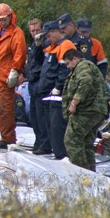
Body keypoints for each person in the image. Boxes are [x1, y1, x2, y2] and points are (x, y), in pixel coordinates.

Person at [62, 49, 109, 171]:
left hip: (87, 110)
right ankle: (90, 174)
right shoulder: (85, 66)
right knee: (86, 143)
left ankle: (81, 172)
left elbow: (85, 82)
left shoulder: (83, 66)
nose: (67, 67)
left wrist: (74, 103)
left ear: (75, 59)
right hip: (95, 110)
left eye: (68, 63)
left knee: (72, 140)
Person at [36, 20, 77, 159]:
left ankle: (61, 156)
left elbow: (65, 70)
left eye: (48, 36)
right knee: (49, 126)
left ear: (55, 32)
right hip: (47, 92)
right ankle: (56, 153)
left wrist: (58, 88)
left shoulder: (65, 45)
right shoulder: (53, 47)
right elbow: (38, 58)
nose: (47, 39)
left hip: (56, 94)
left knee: (57, 126)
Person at [0, 3, 27, 149]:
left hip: (6, 78)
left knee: (6, 109)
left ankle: (8, 138)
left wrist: (15, 70)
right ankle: (4, 136)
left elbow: (20, 53)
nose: (2, 22)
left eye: (4, 19)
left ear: (10, 17)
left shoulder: (16, 33)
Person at [24, 18, 51, 153]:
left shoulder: (44, 43)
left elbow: (41, 60)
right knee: (33, 116)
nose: (35, 32)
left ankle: (45, 144)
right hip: (32, 82)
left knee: (41, 116)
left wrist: (39, 45)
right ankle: (38, 141)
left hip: (41, 82)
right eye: (32, 30)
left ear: (42, 30)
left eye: (37, 30)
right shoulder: (32, 44)